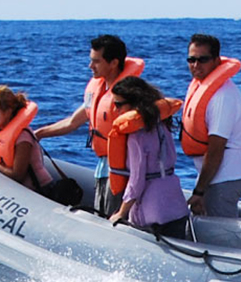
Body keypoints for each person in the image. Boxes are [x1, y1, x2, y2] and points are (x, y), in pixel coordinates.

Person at [34, 35, 144, 215]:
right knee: (101, 213)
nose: (90, 66)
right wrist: (38, 134)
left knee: (111, 218)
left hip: (121, 170)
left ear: (113, 63)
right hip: (102, 168)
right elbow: (72, 122)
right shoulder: (99, 92)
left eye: (96, 62)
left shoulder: (129, 98)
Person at [106, 77, 189, 239]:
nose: (116, 111)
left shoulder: (136, 136)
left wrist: (121, 212)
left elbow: (137, 180)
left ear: (133, 103)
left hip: (153, 213)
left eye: (118, 104)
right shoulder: (162, 124)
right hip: (176, 204)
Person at [181, 33, 241, 218]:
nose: (196, 65)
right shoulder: (202, 88)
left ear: (217, 61)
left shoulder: (222, 97)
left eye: (203, 60)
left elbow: (216, 148)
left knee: (222, 238)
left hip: (224, 180)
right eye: (191, 59)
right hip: (212, 178)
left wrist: (199, 191)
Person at [0, 86, 52, 192]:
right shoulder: (4, 132)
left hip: (39, 191)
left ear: (8, 111)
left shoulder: (22, 137)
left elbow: (18, 176)